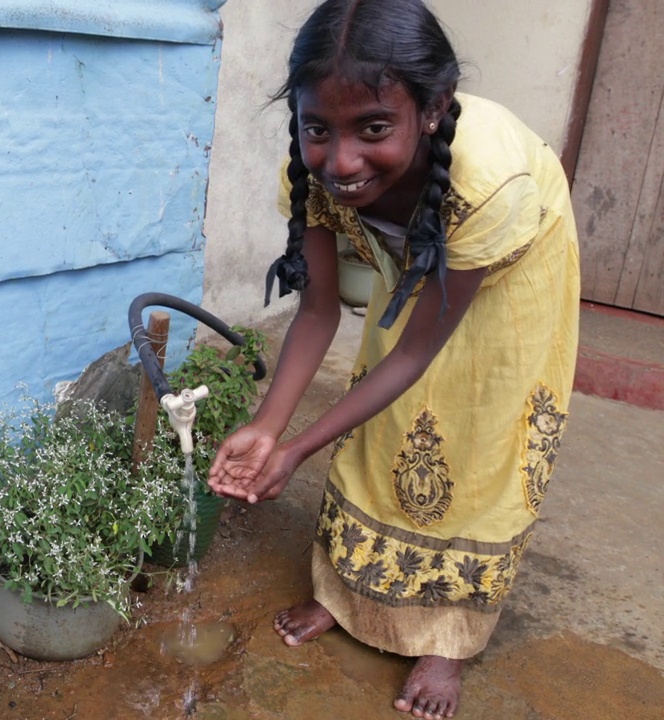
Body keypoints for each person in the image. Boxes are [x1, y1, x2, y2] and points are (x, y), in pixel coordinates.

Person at [206, 1, 580, 718]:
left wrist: (296, 450)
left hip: (515, 273)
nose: (341, 160)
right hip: (423, 262)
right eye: (319, 128)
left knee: (474, 433)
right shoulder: (312, 172)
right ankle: (347, 599)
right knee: (381, 422)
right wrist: (267, 427)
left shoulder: (486, 183)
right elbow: (317, 310)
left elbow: (415, 353)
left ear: (433, 109)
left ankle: (447, 637)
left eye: (373, 128)